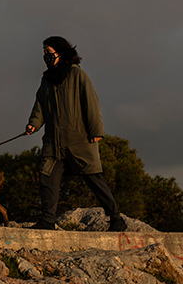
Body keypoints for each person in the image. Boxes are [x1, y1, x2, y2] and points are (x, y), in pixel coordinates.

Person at [25, 36, 126, 231]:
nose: (46, 56)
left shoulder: (77, 75)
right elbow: (40, 105)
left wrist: (96, 131)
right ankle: (47, 221)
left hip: (79, 139)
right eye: (44, 52)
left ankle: (116, 219)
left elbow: (92, 104)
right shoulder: (46, 79)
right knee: (47, 178)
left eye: (49, 52)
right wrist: (33, 125)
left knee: (94, 179)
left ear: (60, 53)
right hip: (53, 143)